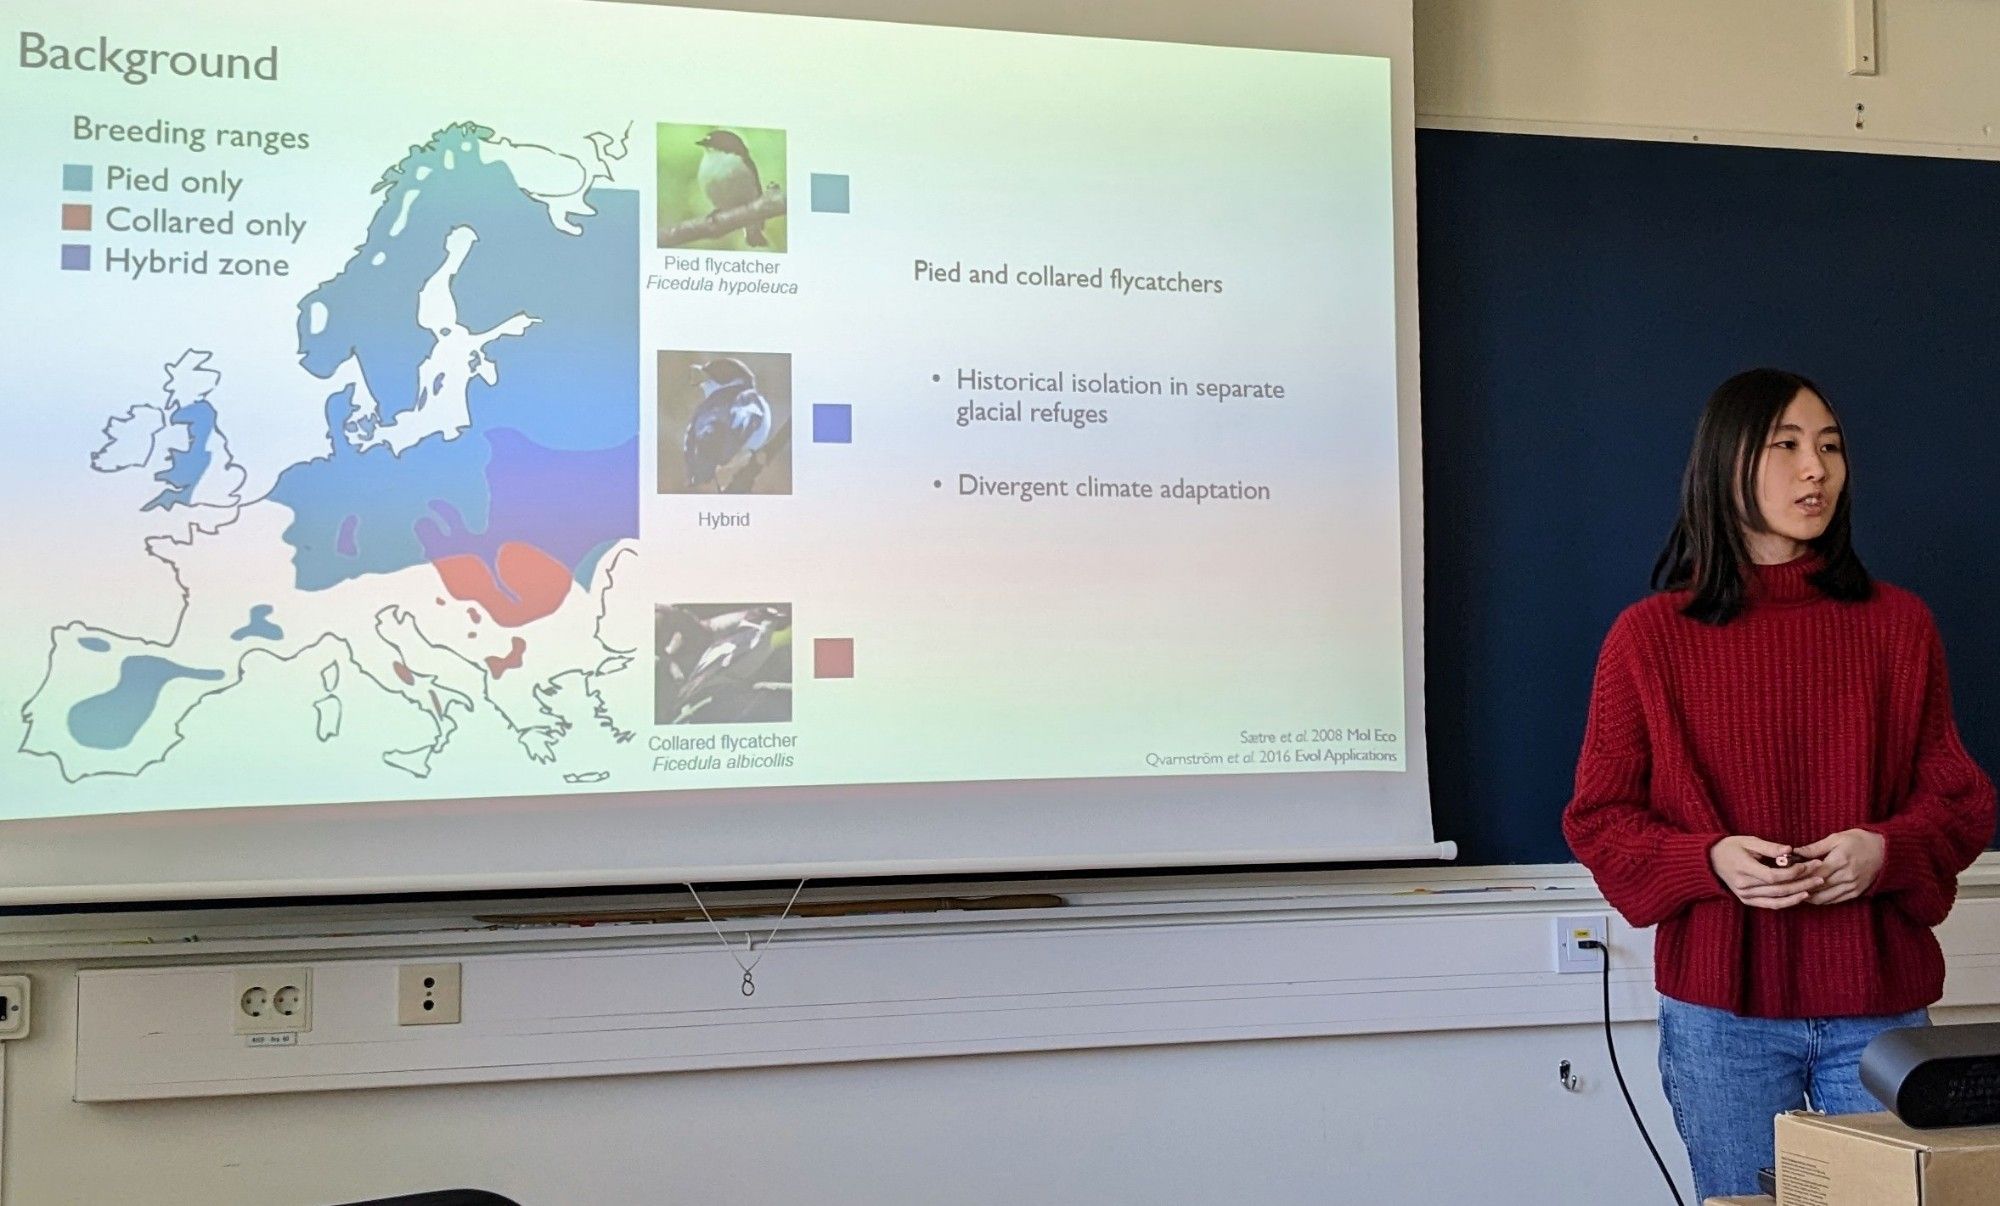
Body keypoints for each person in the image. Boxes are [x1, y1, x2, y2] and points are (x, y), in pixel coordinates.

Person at [1561, 367, 1995, 1200]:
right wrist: (1710, 860)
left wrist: (1886, 850)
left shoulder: (1898, 625)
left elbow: (1961, 801)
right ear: (1728, 466)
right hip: (1721, 1017)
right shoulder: (1649, 638)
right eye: (1787, 446)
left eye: (1830, 446)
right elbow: (1600, 817)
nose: (1817, 470)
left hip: (1879, 1013)